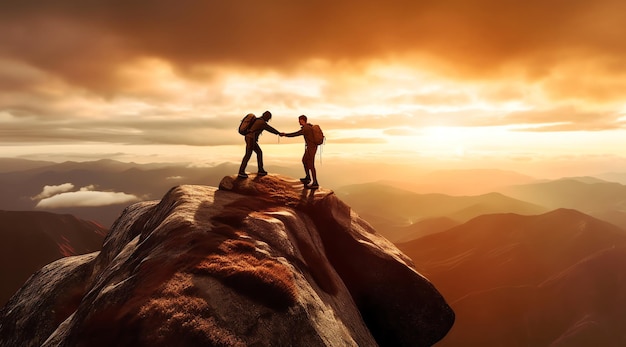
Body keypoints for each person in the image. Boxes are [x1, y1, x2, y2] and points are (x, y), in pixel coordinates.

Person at [280, 115, 320, 189]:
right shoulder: (308, 127)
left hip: (311, 148)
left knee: (311, 164)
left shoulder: (306, 128)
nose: (298, 122)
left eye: (299, 120)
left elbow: (296, 134)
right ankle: (308, 177)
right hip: (310, 148)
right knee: (304, 160)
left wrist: (285, 134)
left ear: (302, 120)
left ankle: (315, 182)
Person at [238, 110, 281, 178]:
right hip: (251, 139)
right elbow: (270, 129)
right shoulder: (262, 122)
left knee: (259, 152)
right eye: (269, 118)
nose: (269, 120)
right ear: (267, 117)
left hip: (250, 138)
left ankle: (260, 170)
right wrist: (279, 133)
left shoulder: (258, 120)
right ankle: (241, 171)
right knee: (248, 155)